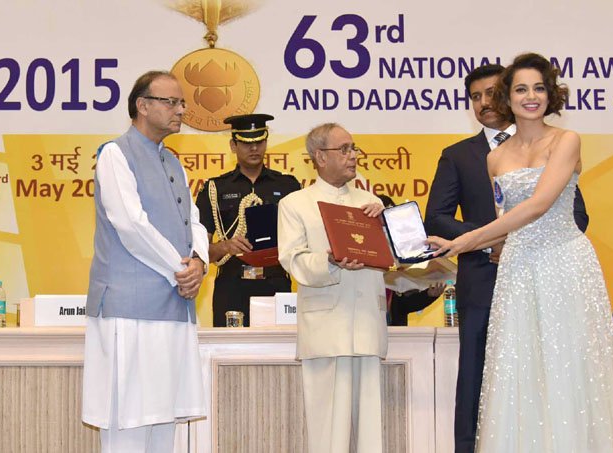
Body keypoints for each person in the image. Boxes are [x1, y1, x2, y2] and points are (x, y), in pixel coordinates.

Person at [427, 53, 613, 452]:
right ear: (506, 98)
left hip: (564, 264)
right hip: (516, 271)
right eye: (521, 89)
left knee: (569, 367)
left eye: (539, 88)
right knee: (516, 370)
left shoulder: (567, 140)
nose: (531, 96)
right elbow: (506, 214)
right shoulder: (494, 158)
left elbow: (537, 205)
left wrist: (466, 241)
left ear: (550, 94)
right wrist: (494, 245)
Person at [82, 70, 209, 452]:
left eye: (182, 103)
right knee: (129, 425)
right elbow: (130, 224)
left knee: (163, 422)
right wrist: (180, 269)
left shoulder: (173, 162)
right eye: (171, 102)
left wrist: (200, 262)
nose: (181, 110)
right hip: (129, 310)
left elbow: (194, 220)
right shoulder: (115, 154)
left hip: (172, 306)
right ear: (142, 105)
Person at [278, 123, 386, 453]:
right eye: (344, 149)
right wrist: (330, 261)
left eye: (354, 148)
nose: (353, 156)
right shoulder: (296, 203)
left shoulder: (372, 203)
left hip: (367, 323)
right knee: (327, 433)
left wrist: (390, 227)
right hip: (326, 328)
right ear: (319, 157)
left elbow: (392, 262)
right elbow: (292, 260)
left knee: (370, 433)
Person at [195, 113, 300, 327]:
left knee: (280, 353)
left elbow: (304, 239)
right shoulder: (215, 188)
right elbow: (199, 250)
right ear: (233, 145)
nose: (254, 148)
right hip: (232, 286)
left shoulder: (288, 185)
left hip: (276, 283)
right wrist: (224, 246)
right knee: (230, 353)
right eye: (245, 143)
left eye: (259, 141)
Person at [378, 195, 445, 326]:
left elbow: (404, 305)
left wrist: (428, 295)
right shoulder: (362, 253)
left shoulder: (407, 249)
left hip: (397, 332)